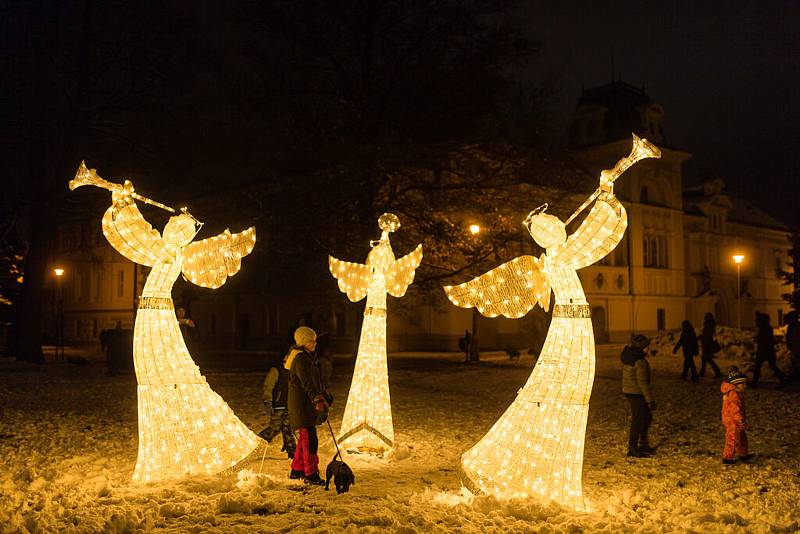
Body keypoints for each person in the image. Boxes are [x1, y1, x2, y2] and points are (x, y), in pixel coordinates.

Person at [287, 326, 330, 485]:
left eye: (315, 340)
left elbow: (314, 381)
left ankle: (297, 470)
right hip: (301, 406)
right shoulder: (301, 359)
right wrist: (317, 399)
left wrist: (323, 395)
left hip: (305, 405)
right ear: (303, 342)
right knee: (310, 440)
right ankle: (311, 474)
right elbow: (307, 383)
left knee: (305, 438)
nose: (314, 343)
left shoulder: (306, 357)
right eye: (311, 341)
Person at [621, 334, 656, 457]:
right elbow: (643, 383)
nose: (648, 349)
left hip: (630, 390)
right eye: (646, 347)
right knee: (639, 419)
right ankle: (633, 447)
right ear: (641, 348)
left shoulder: (630, 356)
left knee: (646, 417)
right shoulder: (639, 361)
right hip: (636, 393)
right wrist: (650, 400)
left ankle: (643, 444)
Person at [259, 353, 296, 459]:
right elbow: (268, 387)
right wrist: (268, 401)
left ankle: (292, 452)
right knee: (275, 428)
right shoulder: (276, 371)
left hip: (289, 405)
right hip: (278, 405)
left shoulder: (294, 372)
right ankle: (257, 442)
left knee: (288, 429)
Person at [721, 366, 753, 465]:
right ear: (736, 384)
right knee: (732, 438)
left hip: (736, 419)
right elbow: (735, 410)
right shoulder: (733, 394)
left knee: (742, 437)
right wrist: (740, 420)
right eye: (743, 384)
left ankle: (743, 453)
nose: (745, 386)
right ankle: (728, 458)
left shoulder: (736, 393)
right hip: (733, 420)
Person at [752, 312, 786, 387]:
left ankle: (754, 382)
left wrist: (758, 339)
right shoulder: (767, 328)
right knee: (771, 365)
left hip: (764, 350)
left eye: (758, 320)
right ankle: (782, 379)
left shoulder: (765, 329)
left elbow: (765, 340)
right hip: (768, 350)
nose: (756, 322)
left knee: (758, 366)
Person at [699, 313, 723, 378]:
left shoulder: (709, 325)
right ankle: (702, 372)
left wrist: (704, 342)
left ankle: (718, 372)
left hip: (707, 345)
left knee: (708, 359)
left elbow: (707, 336)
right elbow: (706, 335)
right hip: (706, 344)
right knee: (704, 359)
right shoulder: (709, 325)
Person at [784, 310, 800, 381]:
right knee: (795, 360)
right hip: (795, 345)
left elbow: (789, 336)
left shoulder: (792, 326)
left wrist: (789, 344)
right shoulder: (796, 325)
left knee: (795, 360)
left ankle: (795, 375)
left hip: (795, 346)